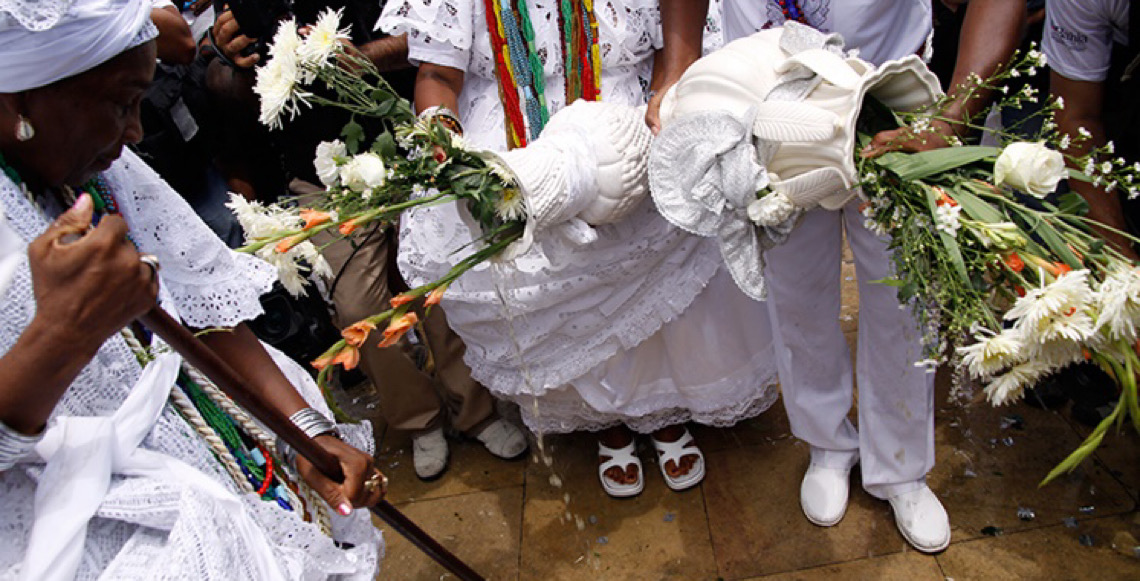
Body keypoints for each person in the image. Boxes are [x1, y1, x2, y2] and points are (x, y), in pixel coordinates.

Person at [0, 1, 384, 577]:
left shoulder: (101, 168)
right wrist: (59, 339)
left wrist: (303, 433)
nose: (134, 132)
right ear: (17, 101)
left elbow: (204, 307)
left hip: (214, 455)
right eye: (119, 103)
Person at [378, 0, 780, 498]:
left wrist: (664, 100)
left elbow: (672, 38)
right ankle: (605, 422)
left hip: (627, 122)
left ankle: (661, 413)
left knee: (654, 291)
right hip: (514, 143)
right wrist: (451, 155)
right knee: (562, 304)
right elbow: (438, 73)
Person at [654, 0, 951, 552]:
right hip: (769, 103)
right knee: (796, 288)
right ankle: (827, 441)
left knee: (902, 289)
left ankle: (902, 464)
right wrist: (679, 68)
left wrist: (951, 112)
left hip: (886, 93)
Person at [208, 1, 529, 480]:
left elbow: (437, 35)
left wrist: (360, 58)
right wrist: (223, 58)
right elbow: (233, 87)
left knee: (441, 282)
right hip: (319, 171)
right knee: (358, 308)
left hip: (405, 141)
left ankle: (476, 410)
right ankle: (418, 419)